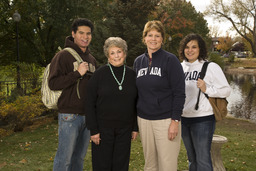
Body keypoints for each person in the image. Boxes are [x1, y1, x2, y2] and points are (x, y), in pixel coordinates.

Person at [133, 20, 185, 171]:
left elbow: (179, 93)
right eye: (150, 35)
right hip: (144, 120)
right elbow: (136, 93)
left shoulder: (171, 60)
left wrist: (175, 121)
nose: (153, 39)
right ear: (144, 38)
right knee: (150, 165)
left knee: (167, 165)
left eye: (157, 35)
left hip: (165, 120)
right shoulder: (138, 62)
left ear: (162, 39)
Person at [48, 18, 97, 171]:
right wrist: (76, 74)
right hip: (69, 116)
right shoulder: (63, 56)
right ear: (73, 34)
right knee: (64, 160)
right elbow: (53, 83)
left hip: (87, 117)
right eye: (81, 33)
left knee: (78, 159)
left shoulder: (92, 59)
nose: (85, 36)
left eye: (88, 33)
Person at [178, 33, 231, 171]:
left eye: (194, 47)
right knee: (191, 159)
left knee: (202, 160)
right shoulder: (180, 67)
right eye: (187, 47)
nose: (190, 50)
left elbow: (226, 90)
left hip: (203, 119)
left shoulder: (210, 67)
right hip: (183, 119)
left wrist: (207, 88)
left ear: (200, 49)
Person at [85, 37, 138, 171]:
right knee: (102, 165)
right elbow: (89, 103)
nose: (116, 56)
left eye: (119, 52)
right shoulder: (99, 75)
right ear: (108, 56)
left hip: (125, 129)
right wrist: (94, 130)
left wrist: (134, 127)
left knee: (121, 165)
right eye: (112, 53)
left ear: (124, 54)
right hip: (103, 130)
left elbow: (136, 102)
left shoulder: (132, 75)